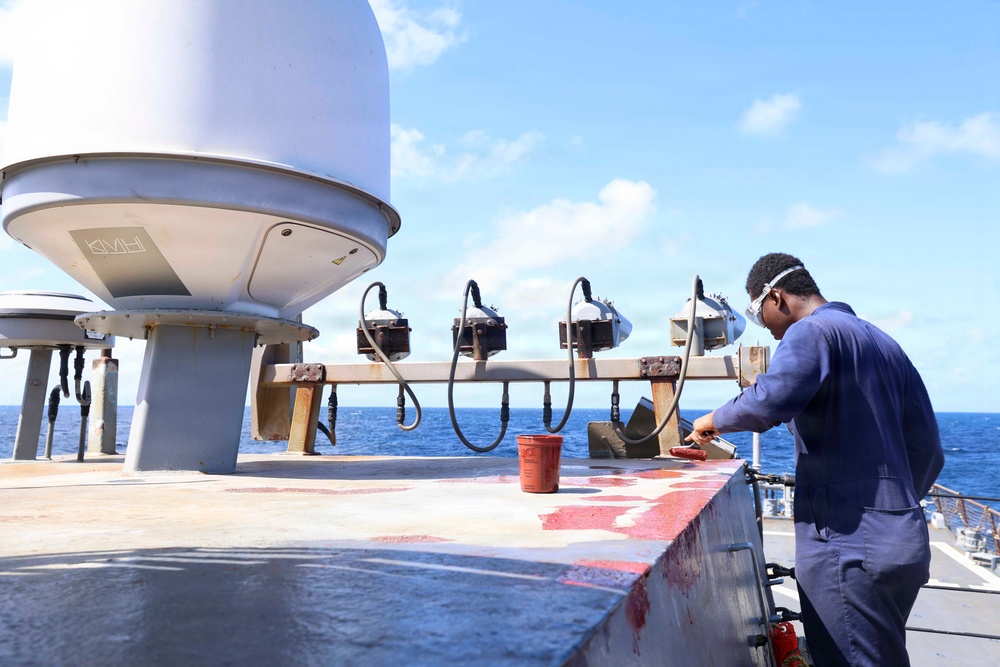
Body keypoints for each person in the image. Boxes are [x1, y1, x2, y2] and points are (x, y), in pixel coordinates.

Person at [686, 252, 944, 667]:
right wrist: (891, 507)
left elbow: (773, 398)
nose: (766, 329)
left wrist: (712, 420)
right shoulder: (885, 343)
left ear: (777, 298)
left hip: (849, 543)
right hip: (903, 540)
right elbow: (929, 448)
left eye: (758, 314)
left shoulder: (810, 333)